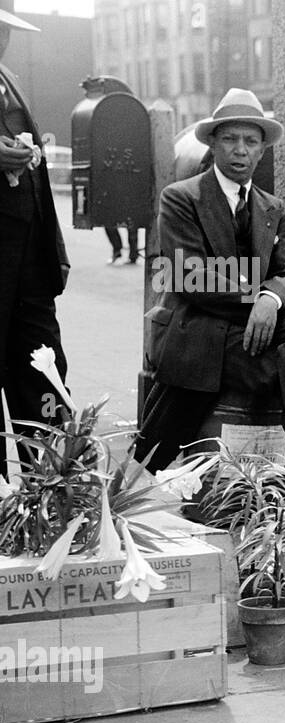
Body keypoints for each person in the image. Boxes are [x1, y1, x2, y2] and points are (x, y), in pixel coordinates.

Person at [135, 88, 285, 476]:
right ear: (212, 144)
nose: (240, 150)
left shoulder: (272, 208)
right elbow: (187, 275)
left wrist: (273, 300)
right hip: (195, 330)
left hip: (250, 331)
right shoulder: (180, 199)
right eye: (229, 139)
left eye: (250, 141)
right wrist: (256, 298)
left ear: (262, 151)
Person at [0, 3, 70, 474]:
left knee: (45, 382)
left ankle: (53, 496)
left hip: (28, 270)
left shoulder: (8, 77)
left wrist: (54, 253)